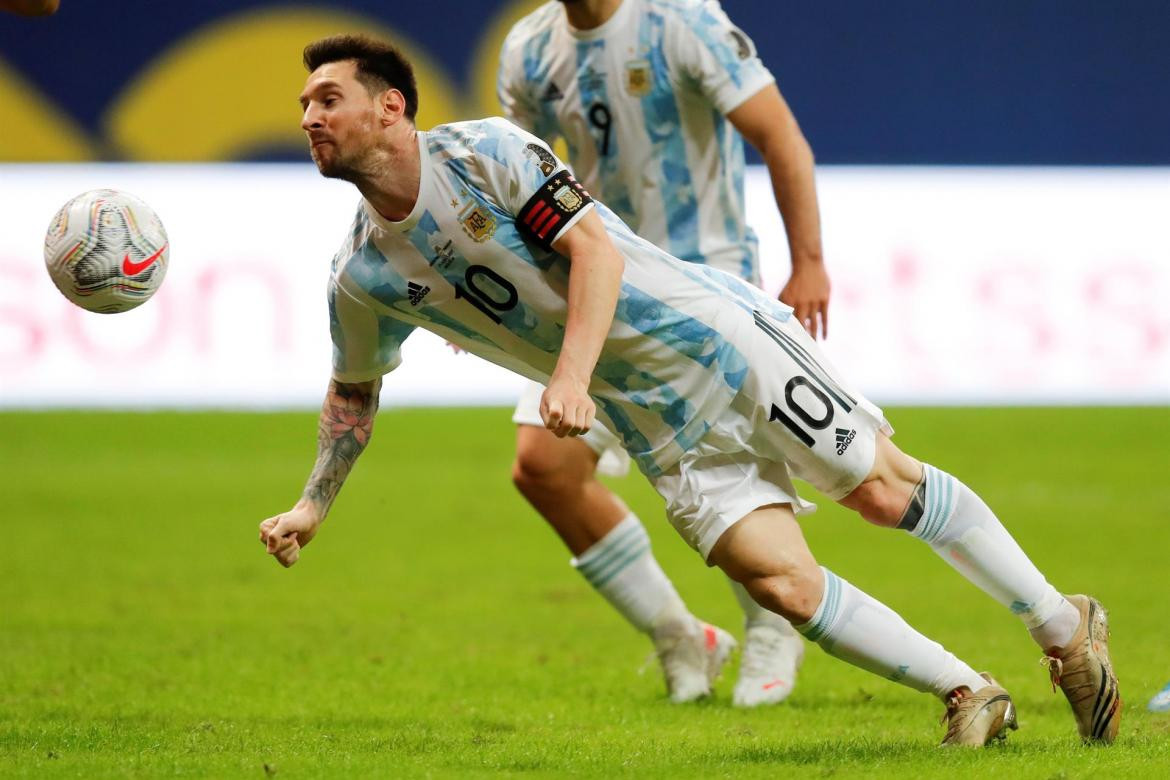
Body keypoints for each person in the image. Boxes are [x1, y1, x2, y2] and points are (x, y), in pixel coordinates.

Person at [261, 33, 1121, 746]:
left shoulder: (484, 151)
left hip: (718, 342)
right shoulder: (362, 274)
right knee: (777, 581)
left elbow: (593, 251)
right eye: (304, 106)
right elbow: (353, 395)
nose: (310, 118)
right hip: (654, 422)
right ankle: (968, 692)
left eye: (327, 99)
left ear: (391, 106)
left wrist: (568, 375)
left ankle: (1061, 624)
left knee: (880, 491)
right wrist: (311, 506)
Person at [495, 0, 828, 706]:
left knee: (730, 470)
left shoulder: (683, 21)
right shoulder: (527, 49)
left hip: (703, 282)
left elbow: (781, 136)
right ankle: (682, 636)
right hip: (594, 287)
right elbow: (511, 191)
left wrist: (808, 262)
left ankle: (771, 626)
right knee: (543, 468)